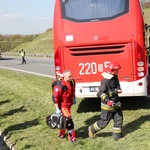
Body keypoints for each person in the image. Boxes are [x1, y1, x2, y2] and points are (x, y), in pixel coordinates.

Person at [88, 62, 124, 141]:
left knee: (118, 119)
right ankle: (91, 129)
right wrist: (108, 101)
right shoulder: (105, 81)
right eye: (117, 70)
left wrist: (118, 89)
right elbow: (100, 93)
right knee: (104, 122)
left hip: (116, 102)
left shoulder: (115, 77)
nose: (118, 71)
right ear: (112, 70)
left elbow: (117, 85)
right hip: (107, 105)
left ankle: (117, 136)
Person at [52, 70, 76, 142]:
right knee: (69, 120)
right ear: (64, 76)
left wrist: (74, 98)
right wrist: (57, 109)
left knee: (63, 120)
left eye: (71, 76)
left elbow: (73, 90)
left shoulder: (72, 82)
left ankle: (60, 133)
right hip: (63, 106)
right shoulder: (59, 86)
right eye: (69, 76)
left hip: (69, 105)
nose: (71, 77)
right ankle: (71, 138)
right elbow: (55, 98)